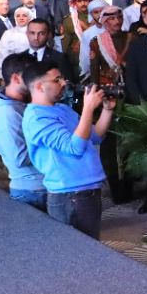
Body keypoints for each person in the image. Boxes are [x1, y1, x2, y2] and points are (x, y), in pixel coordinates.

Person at [23, 59, 115, 238]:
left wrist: (107, 110)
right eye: (57, 80)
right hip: (69, 195)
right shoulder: (36, 118)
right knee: (80, 250)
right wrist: (88, 108)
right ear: (40, 86)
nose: (64, 83)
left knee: (91, 246)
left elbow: (95, 136)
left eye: (62, 78)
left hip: (87, 190)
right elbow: (75, 147)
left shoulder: (62, 109)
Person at [0, 52, 44, 210]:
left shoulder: (20, 105)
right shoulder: (7, 114)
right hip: (32, 190)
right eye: (32, 76)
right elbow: (18, 158)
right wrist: (53, 144)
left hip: (39, 187)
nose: (38, 81)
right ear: (16, 78)